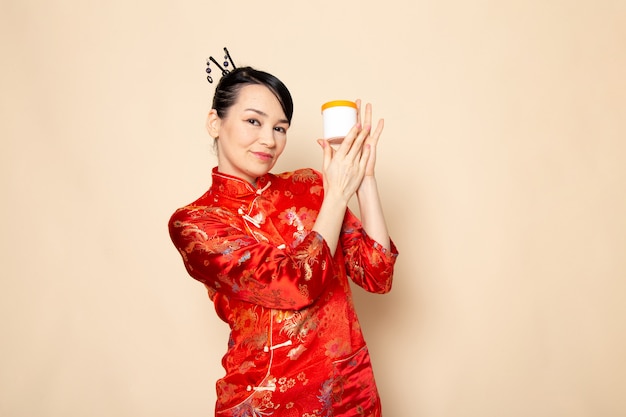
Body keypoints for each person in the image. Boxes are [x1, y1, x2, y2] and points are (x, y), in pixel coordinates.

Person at [168, 66, 398, 417]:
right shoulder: (196, 223)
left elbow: (376, 274)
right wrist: (337, 194)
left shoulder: (311, 184)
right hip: (267, 399)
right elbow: (294, 285)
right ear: (215, 122)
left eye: (280, 128)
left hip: (350, 392)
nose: (269, 140)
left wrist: (364, 178)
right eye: (253, 122)